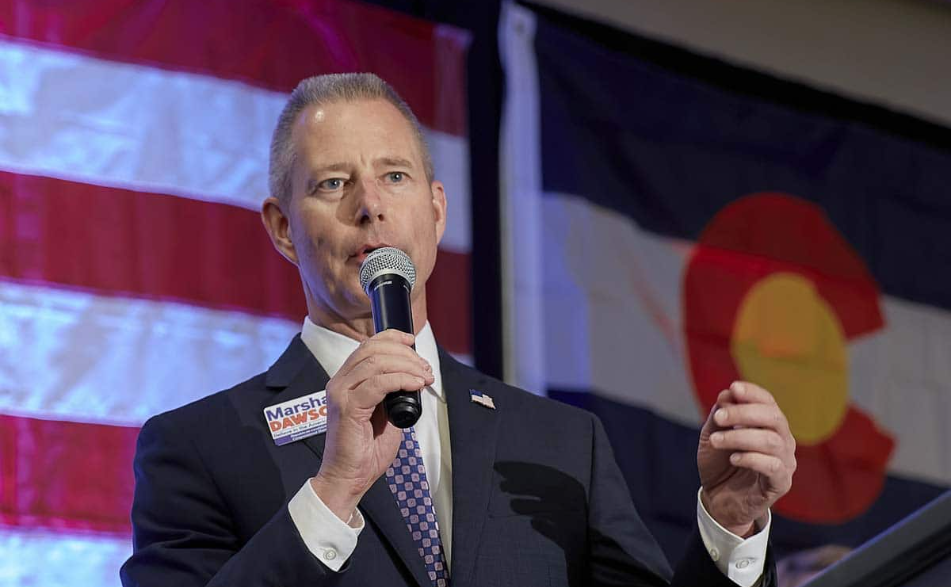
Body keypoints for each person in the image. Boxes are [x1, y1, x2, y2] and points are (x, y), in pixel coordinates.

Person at [120, 73, 796, 587]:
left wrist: (730, 520)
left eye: (394, 175)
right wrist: (330, 494)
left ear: (436, 211)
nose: (370, 206)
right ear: (280, 228)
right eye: (332, 183)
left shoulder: (561, 445)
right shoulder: (199, 447)